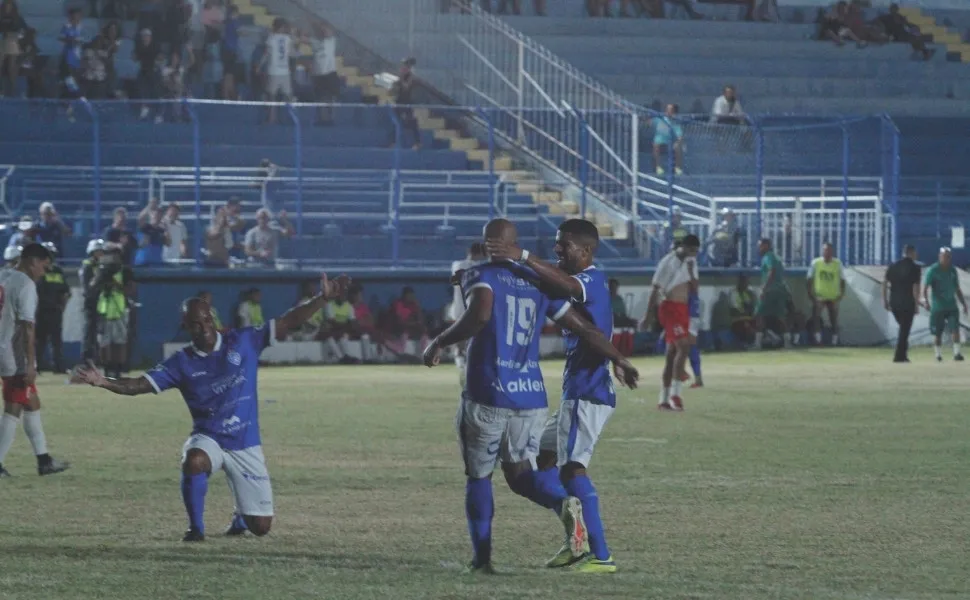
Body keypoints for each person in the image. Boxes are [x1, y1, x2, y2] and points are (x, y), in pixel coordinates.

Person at [422, 218, 637, 572]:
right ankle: (567, 514)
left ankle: (494, 558)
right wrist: (619, 358)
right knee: (527, 472)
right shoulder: (537, 283)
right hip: (532, 397)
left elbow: (480, 315)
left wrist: (440, 339)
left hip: (510, 391)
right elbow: (581, 325)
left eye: (563, 245)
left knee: (493, 476)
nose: (557, 250)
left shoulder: (497, 276)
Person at [72, 273, 350, 541]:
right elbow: (137, 385)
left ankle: (242, 512)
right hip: (210, 438)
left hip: (245, 443)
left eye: (207, 319)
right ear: (186, 326)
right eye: (196, 323)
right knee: (193, 460)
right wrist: (102, 381)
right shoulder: (181, 362)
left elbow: (289, 321)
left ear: (213, 318)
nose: (204, 327)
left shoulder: (243, 340)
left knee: (261, 528)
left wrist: (321, 299)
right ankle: (196, 529)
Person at [485, 218, 635, 573]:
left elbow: (563, 283)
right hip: (578, 391)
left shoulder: (591, 280)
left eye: (564, 244)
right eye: (556, 243)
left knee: (572, 471)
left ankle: (601, 556)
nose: (557, 249)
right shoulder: (570, 279)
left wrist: (521, 253)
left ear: (586, 251)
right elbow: (539, 281)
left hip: (588, 391)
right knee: (533, 464)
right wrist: (480, 276)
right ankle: (576, 537)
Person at [0, 243, 70, 478]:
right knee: (14, 404)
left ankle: (44, 460)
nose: (44, 272)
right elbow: (28, 329)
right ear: (32, 261)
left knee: (32, 401)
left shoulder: (3, 275)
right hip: (11, 351)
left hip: (3, 347)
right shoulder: (26, 285)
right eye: (43, 266)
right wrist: (31, 364)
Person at [647, 234, 700, 411]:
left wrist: (692, 271)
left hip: (683, 310)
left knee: (671, 354)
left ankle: (663, 399)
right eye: (692, 250)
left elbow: (695, 288)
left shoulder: (691, 262)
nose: (694, 254)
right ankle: (676, 395)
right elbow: (655, 288)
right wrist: (649, 316)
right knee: (683, 347)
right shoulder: (667, 262)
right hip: (669, 308)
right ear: (683, 247)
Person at [447, 243, 486, 381]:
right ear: (480, 254)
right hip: (471, 308)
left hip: (457, 308)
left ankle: (461, 363)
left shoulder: (456, 264)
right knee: (472, 338)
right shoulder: (478, 268)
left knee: (460, 339)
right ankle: (466, 364)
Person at [922, 247, 967, 363]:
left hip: (951, 306)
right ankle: (938, 355)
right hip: (938, 307)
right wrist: (926, 301)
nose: (946, 259)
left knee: (955, 329)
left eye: (948, 256)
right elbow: (925, 288)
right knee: (938, 332)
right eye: (944, 256)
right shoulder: (933, 270)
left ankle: (957, 353)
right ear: (939, 257)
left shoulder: (952, 270)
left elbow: (957, 288)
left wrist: (964, 304)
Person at [35, 242, 70, 374]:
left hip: (55, 310)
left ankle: (59, 367)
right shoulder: (37, 271)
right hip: (40, 311)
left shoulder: (58, 271)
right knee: (39, 341)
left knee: (56, 341)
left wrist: (62, 308)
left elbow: (65, 292)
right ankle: (36, 367)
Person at [882, 245, 920, 363]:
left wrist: (885, 300)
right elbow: (916, 287)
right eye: (915, 253)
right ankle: (899, 356)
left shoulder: (893, 266)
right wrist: (917, 304)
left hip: (894, 302)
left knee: (903, 329)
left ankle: (903, 355)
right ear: (911, 253)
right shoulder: (915, 268)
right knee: (904, 330)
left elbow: (884, 283)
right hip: (908, 302)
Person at [754, 238, 792, 349]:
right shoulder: (777, 257)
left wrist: (764, 288)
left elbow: (772, 271)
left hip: (770, 291)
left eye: (760, 245)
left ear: (766, 245)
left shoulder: (768, 257)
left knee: (759, 315)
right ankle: (787, 342)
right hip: (780, 290)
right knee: (781, 316)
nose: (758, 248)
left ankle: (757, 344)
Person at [806, 242, 846, 346]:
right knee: (816, 317)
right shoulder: (816, 262)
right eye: (825, 250)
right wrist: (810, 294)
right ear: (822, 251)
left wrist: (841, 295)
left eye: (829, 250)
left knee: (834, 319)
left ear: (832, 251)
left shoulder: (838, 263)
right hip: (820, 295)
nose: (827, 252)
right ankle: (818, 340)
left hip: (833, 295)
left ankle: (834, 341)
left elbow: (842, 280)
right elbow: (809, 278)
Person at [80, 239, 105, 362]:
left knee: (98, 332)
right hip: (91, 302)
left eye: (101, 251)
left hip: (101, 302)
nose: (101, 253)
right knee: (89, 331)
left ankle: (97, 358)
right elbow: (88, 286)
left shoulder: (102, 265)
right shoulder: (87, 265)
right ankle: (87, 358)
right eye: (98, 251)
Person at [652, 103, 684, 177]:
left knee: (678, 146)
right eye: (667, 109)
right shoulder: (659, 119)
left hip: (669, 143)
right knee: (655, 145)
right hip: (659, 143)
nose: (668, 111)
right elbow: (648, 122)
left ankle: (677, 168)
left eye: (670, 110)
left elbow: (680, 136)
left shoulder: (675, 122)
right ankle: (658, 167)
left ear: (674, 112)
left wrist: (678, 142)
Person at [730, 274, 757, 347]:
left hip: (749, 319)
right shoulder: (734, 293)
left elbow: (751, 308)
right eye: (744, 282)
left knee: (759, 322)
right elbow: (735, 310)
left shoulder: (749, 293)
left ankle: (757, 342)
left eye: (747, 282)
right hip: (738, 320)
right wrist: (745, 310)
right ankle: (745, 343)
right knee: (746, 326)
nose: (746, 284)